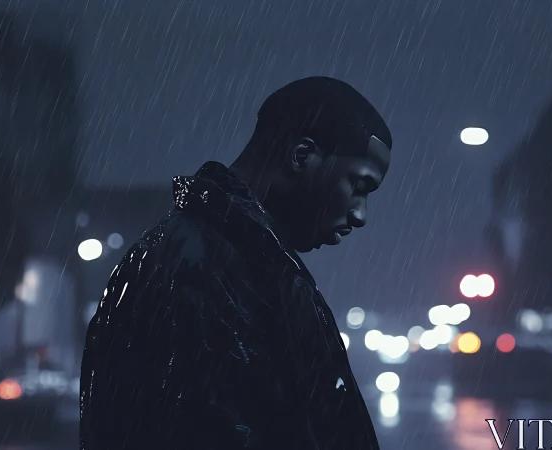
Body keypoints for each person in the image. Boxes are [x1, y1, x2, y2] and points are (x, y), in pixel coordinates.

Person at [80, 76, 392, 450]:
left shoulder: (233, 262)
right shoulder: (206, 269)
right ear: (301, 156)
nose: (360, 215)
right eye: (359, 186)